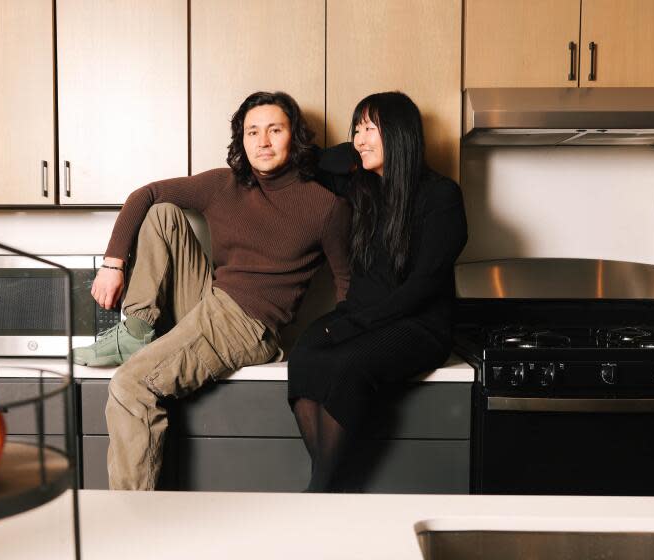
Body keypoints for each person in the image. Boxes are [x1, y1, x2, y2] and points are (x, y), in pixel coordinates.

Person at [72, 91, 351, 490]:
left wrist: (342, 349)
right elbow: (145, 195)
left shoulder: (325, 206)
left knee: (130, 385)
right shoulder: (225, 185)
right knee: (163, 212)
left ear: (296, 137)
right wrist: (113, 264)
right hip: (211, 299)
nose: (263, 141)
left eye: (275, 130)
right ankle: (138, 328)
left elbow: (346, 282)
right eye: (252, 132)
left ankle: (131, 527)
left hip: (247, 321)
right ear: (241, 140)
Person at [287, 91, 468, 492]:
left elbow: (423, 287)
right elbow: (313, 161)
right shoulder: (361, 186)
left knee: (347, 364)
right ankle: (330, 487)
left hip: (419, 324)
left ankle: (319, 494)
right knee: (303, 355)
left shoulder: (441, 196)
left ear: (401, 135)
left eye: (370, 128)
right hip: (361, 316)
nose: (359, 138)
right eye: (357, 128)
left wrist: (358, 325)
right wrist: (356, 151)